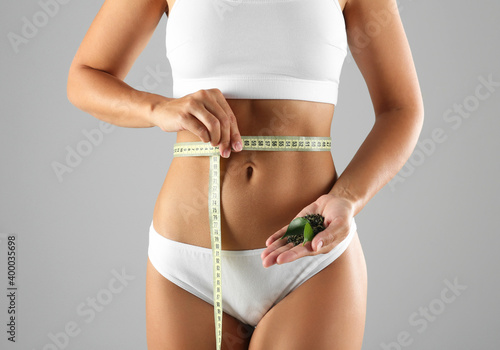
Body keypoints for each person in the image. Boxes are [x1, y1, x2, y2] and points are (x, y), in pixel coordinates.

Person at [67, 0, 424, 349]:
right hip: (186, 262)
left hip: (307, 247)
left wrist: (347, 197)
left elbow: (401, 107)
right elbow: (85, 76)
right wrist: (158, 107)